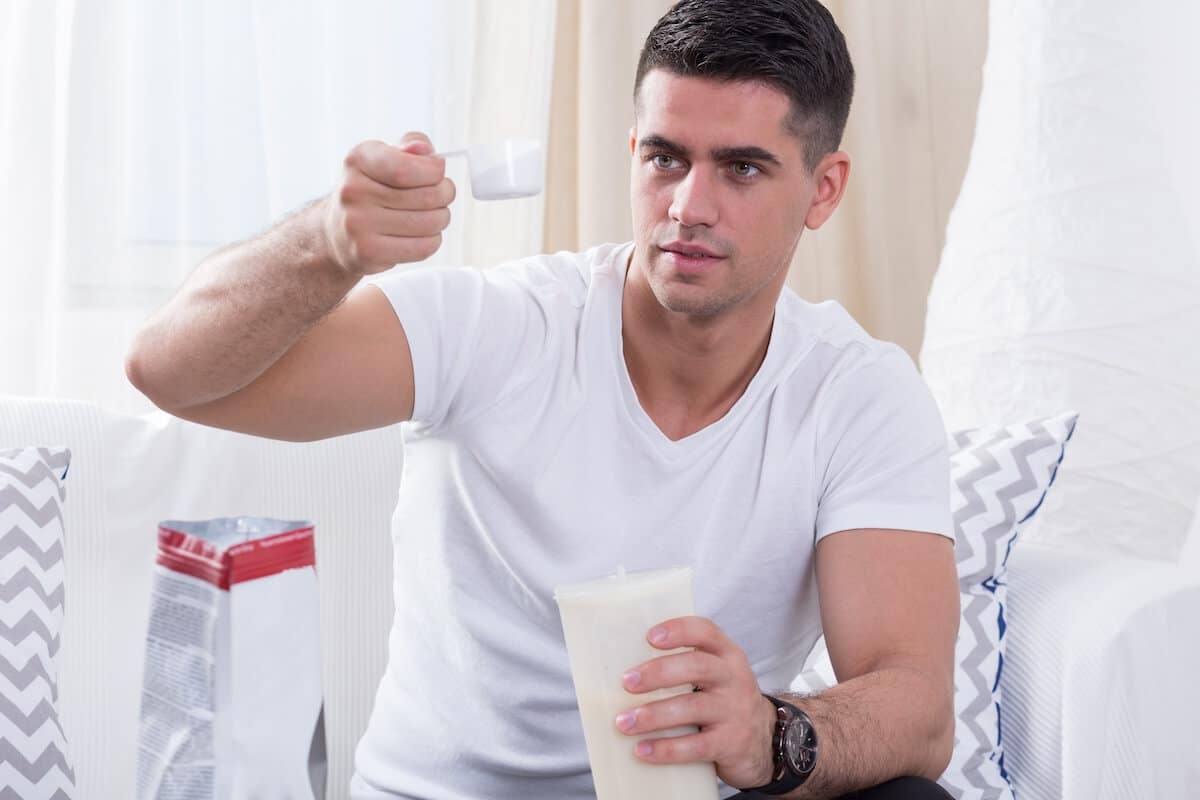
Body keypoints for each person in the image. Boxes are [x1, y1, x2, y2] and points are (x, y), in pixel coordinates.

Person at [126, 1, 959, 798]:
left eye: (742, 168)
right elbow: (170, 370)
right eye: (665, 157)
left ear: (824, 189)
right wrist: (325, 246)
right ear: (633, 151)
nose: (687, 207)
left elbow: (915, 710)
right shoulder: (502, 328)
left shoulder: (857, 394)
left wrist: (769, 735)